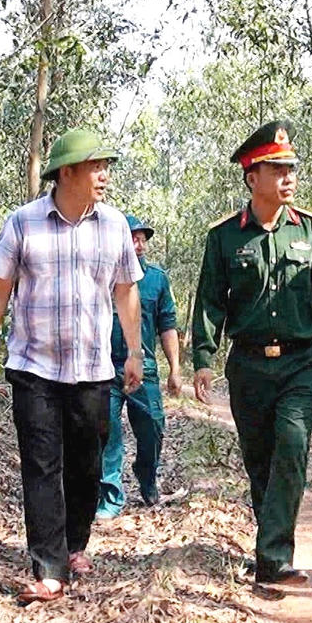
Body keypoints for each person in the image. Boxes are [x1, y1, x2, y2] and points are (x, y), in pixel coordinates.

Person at [0, 128, 145, 604]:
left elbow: (126, 290)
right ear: (66, 172)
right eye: (95, 166)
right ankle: (49, 566)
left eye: (105, 166)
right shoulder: (23, 223)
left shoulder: (114, 226)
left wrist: (134, 351)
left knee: (86, 465)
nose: (104, 175)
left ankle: (76, 543)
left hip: (92, 370)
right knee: (41, 465)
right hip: (33, 367)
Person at [191, 119, 312, 587]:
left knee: (292, 446)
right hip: (249, 365)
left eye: (291, 168)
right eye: (276, 169)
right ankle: (269, 539)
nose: (288, 177)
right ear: (251, 177)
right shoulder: (224, 237)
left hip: (300, 362)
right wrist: (202, 358)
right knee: (259, 459)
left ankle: (273, 558)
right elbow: (211, 300)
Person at [96, 214, 182, 519]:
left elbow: (167, 325)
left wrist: (175, 368)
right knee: (107, 432)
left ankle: (147, 479)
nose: (139, 244)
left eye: (143, 238)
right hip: (104, 366)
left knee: (152, 427)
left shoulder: (157, 279)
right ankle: (110, 497)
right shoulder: (101, 274)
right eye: (133, 237)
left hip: (143, 368)